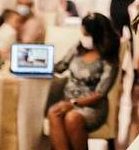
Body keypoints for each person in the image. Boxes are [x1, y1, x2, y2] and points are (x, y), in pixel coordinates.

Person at [46, 13, 120, 150]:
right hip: (69, 101)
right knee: (53, 112)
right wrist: (39, 64)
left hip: (93, 107)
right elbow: (61, 67)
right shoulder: (78, 49)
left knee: (72, 118)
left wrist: (73, 103)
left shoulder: (108, 59)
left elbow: (100, 93)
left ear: (97, 36)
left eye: (86, 34)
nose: (83, 37)